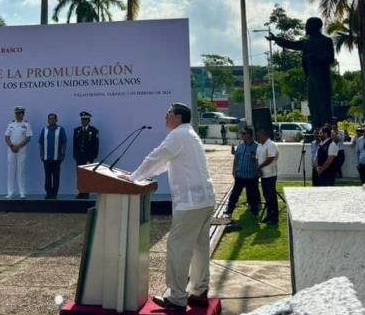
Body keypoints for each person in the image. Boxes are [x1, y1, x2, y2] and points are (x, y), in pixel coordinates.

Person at [120, 103, 216, 310]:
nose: (165, 116)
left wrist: (133, 177)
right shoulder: (189, 134)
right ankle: (199, 292)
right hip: (205, 200)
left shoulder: (178, 135)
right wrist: (142, 175)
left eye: (169, 113)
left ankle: (177, 298)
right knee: (199, 248)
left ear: (178, 117)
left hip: (191, 203)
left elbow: (157, 156)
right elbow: (166, 163)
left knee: (178, 248)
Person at [267, 18, 335, 128]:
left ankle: (326, 129)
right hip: (311, 78)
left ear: (315, 27)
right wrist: (276, 39)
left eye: (308, 25)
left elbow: (330, 58)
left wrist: (316, 57)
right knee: (313, 105)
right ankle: (316, 129)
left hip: (323, 79)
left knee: (324, 105)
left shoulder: (326, 41)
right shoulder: (306, 43)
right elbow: (291, 44)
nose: (306, 28)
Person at [225, 128, 260, 218]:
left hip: (251, 176)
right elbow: (236, 158)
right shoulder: (240, 146)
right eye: (242, 133)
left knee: (252, 195)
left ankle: (254, 211)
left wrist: (255, 158)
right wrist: (233, 170)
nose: (242, 135)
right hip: (240, 175)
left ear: (249, 135)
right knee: (235, 193)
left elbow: (260, 160)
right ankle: (229, 209)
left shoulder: (257, 146)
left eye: (243, 133)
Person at [5, 106, 32, 199]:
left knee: (21, 172)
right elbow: (7, 137)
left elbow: (28, 138)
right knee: (11, 171)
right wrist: (12, 146)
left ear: (23, 114)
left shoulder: (27, 124)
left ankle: (22, 192)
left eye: (20, 113)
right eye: (16, 113)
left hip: (21, 151)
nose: (18, 115)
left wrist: (18, 146)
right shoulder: (11, 124)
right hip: (11, 150)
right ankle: (10, 192)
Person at [38, 113, 67, 199]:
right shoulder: (44, 129)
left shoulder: (60, 129)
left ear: (56, 120)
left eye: (53, 119)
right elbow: (40, 143)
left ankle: (54, 193)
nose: (52, 120)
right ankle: (48, 193)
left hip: (56, 158)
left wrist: (62, 154)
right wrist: (41, 154)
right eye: (50, 119)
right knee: (47, 176)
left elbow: (64, 143)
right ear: (48, 120)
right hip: (46, 158)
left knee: (56, 176)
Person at [73, 111, 99, 199]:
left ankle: (86, 193)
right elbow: (75, 144)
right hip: (79, 157)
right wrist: (75, 155)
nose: (83, 121)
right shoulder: (77, 130)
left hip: (89, 157)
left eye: (85, 120)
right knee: (80, 176)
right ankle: (81, 192)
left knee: (87, 175)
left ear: (89, 120)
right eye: (82, 120)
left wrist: (93, 157)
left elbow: (96, 145)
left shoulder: (94, 131)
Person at [256, 128, 280, 225]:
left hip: (270, 174)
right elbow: (258, 158)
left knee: (271, 196)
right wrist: (259, 168)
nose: (258, 138)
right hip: (263, 174)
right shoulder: (260, 146)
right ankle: (269, 215)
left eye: (259, 136)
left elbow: (270, 158)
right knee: (266, 195)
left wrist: (260, 167)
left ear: (264, 135)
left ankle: (274, 218)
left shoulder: (271, 145)